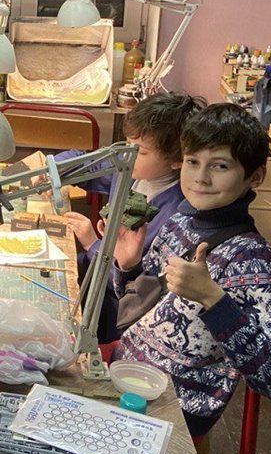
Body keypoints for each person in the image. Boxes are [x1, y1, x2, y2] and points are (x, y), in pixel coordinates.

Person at [111, 103, 271, 438]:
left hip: (173, 409)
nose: (201, 177)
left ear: (255, 176)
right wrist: (128, 267)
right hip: (128, 375)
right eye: (193, 162)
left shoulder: (251, 259)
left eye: (220, 165)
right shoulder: (179, 222)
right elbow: (135, 312)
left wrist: (214, 299)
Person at [60, 92, 207, 342]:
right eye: (128, 143)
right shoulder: (130, 170)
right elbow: (85, 163)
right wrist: (50, 170)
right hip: (90, 274)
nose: (129, 153)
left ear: (177, 161)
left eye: (141, 150)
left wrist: (92, 244)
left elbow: (135, 288)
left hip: (112, 314)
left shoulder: (174, 216)